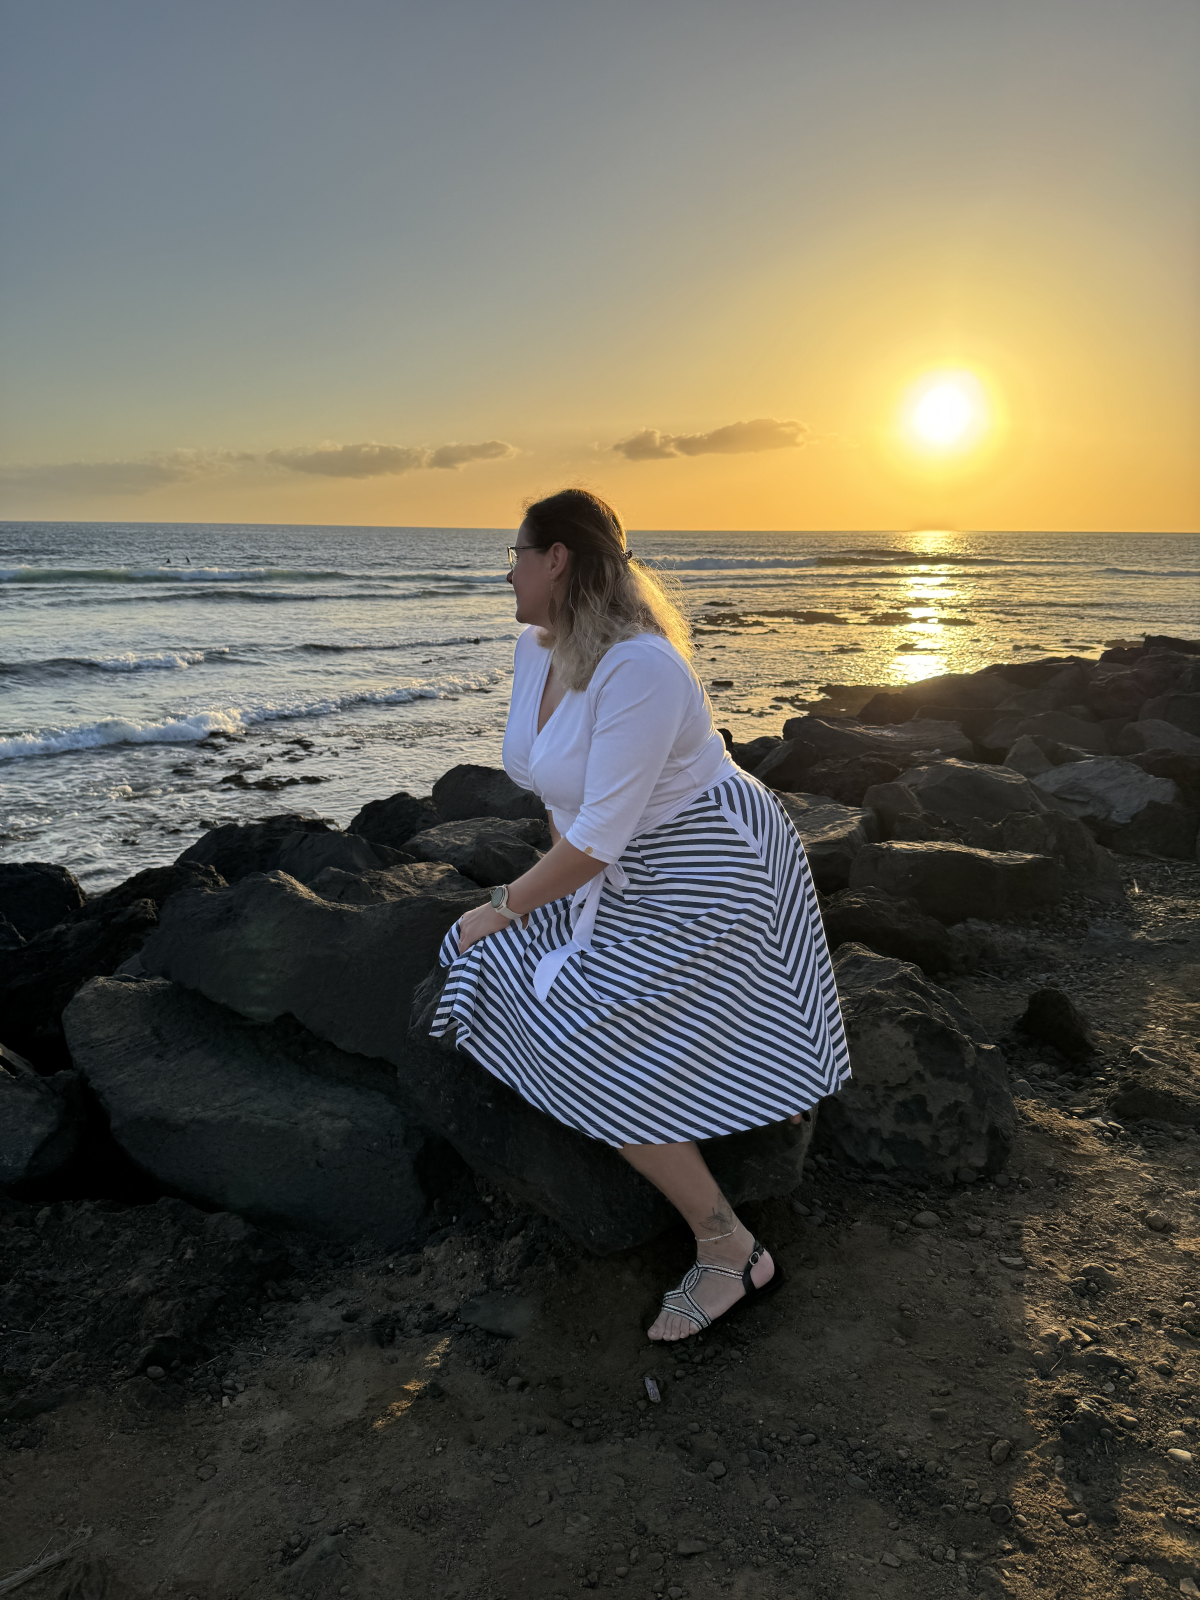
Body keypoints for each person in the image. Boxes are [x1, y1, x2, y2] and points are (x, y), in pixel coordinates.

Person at [430, 489, 849, 1341]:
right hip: (620, 859)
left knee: (587, 1032)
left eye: (515, 555)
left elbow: (596, 835)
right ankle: (736, 1096)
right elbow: (563, 796)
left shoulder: (641, 667)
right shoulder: (536, 649)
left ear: (557, 560)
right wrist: (551, 906)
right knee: (486, 966)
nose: (507, 573)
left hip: (715, 865)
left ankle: (728, 1247)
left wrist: (504, 905)